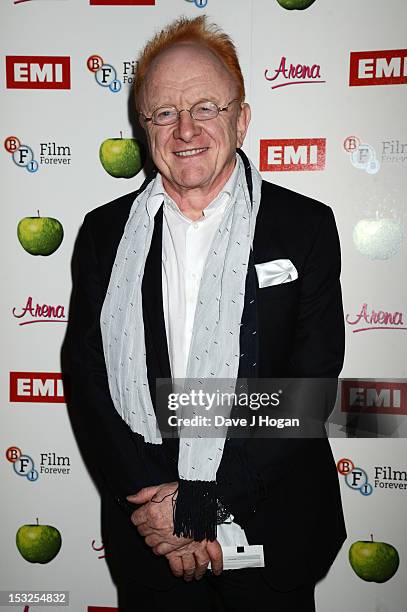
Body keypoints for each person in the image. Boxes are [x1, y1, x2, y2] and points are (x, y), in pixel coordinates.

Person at [66, 15, 346, 612]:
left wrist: (204, 500)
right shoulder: (102, 235)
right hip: (152, 541)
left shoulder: (305, 227)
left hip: (272, 531)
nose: (185, 128)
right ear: (144, 130)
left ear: (241, 118)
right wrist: (158, 509)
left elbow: (308, 386)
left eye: (206, 108)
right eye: (164, 112)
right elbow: (89, 381)